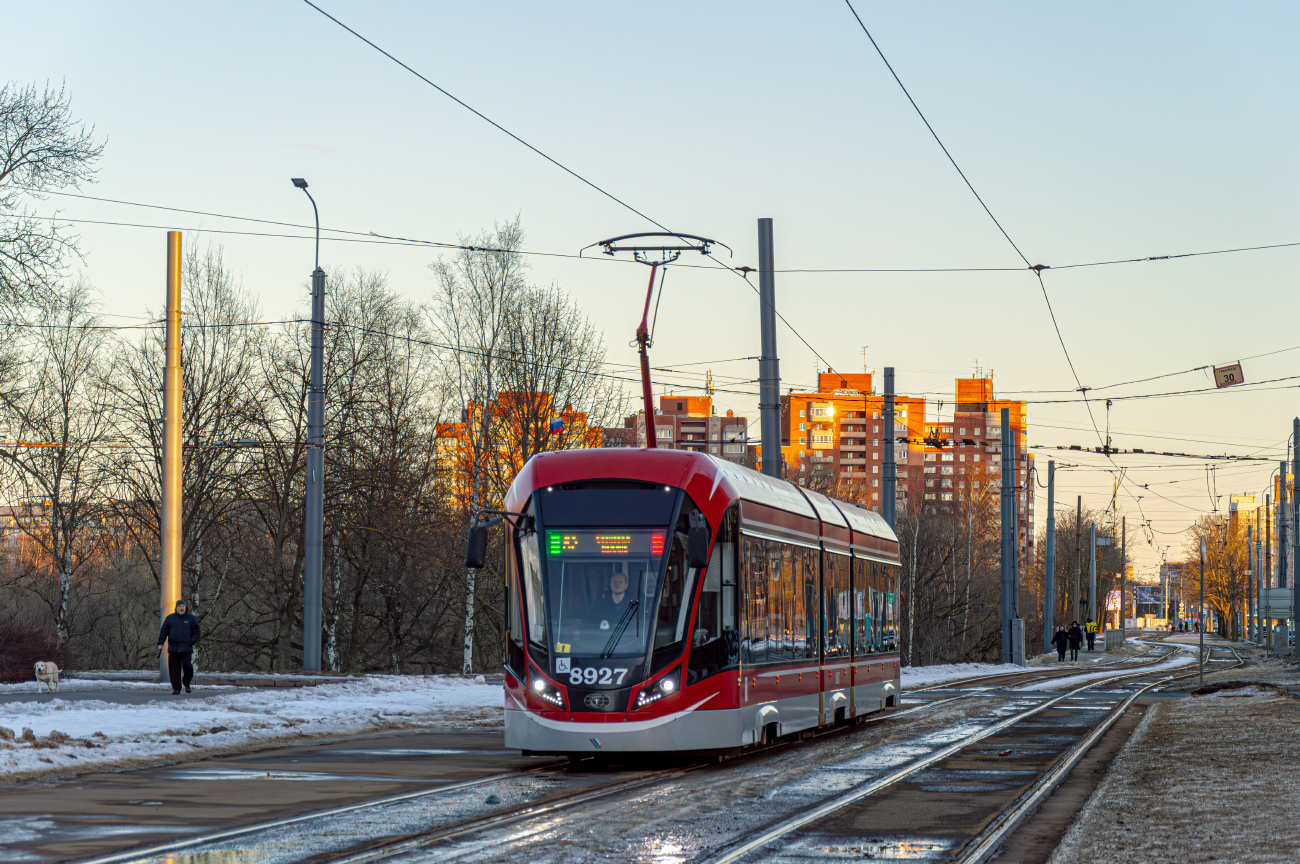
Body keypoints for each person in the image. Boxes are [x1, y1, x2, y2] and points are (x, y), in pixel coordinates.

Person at [158, 600, 201, 695]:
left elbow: (197, 632)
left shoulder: (191, 618)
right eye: (180, 606)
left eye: (183, 606)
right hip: (173, 648)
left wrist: (192, 641)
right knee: (174, 670)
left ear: (186, 608)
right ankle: (176, 688)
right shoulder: (170, 618)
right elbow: (164, 631)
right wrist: (160, 643)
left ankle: (186, 682)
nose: (181, 608)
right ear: (176, 608)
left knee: (188, 666)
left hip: (186, 648)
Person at [594, 567, 634, 633]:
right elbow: (593, 621)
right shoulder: (600, 603)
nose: (617, 584)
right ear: (610, 584)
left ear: (626, 585)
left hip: (629, 639)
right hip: (604, 639)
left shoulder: (633, 605)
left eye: (620, 582)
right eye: (614, 582)